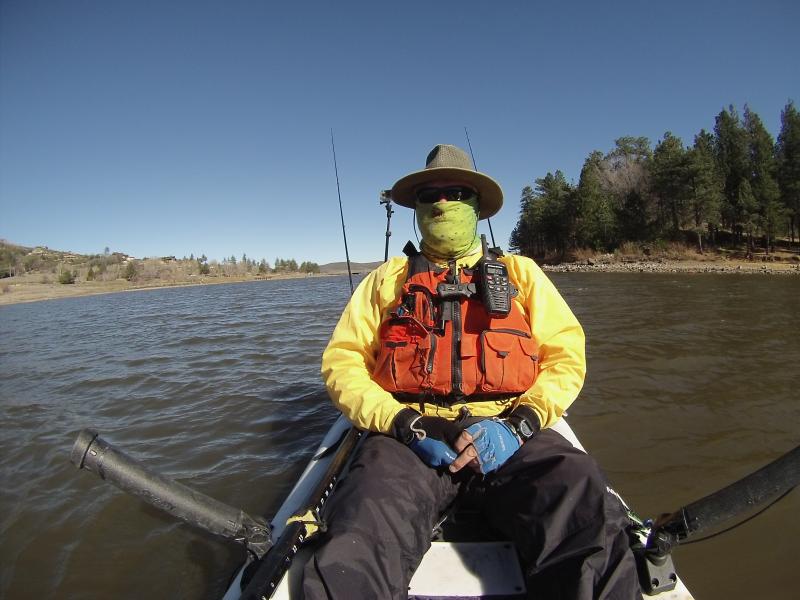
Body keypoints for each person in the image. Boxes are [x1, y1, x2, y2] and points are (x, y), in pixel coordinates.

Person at [302, 144, 642, 599]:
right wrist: (403, 424)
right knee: (359, 528)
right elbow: (343, 364)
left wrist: (520, 424)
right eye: (430, 196)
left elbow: (566, 357)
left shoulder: (522, 274)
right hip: (410, 440)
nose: (442, 203)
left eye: (456, 192)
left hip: (511, 429)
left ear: (477, 208)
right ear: (417, 210)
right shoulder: (386, 280)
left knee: (579, 493)